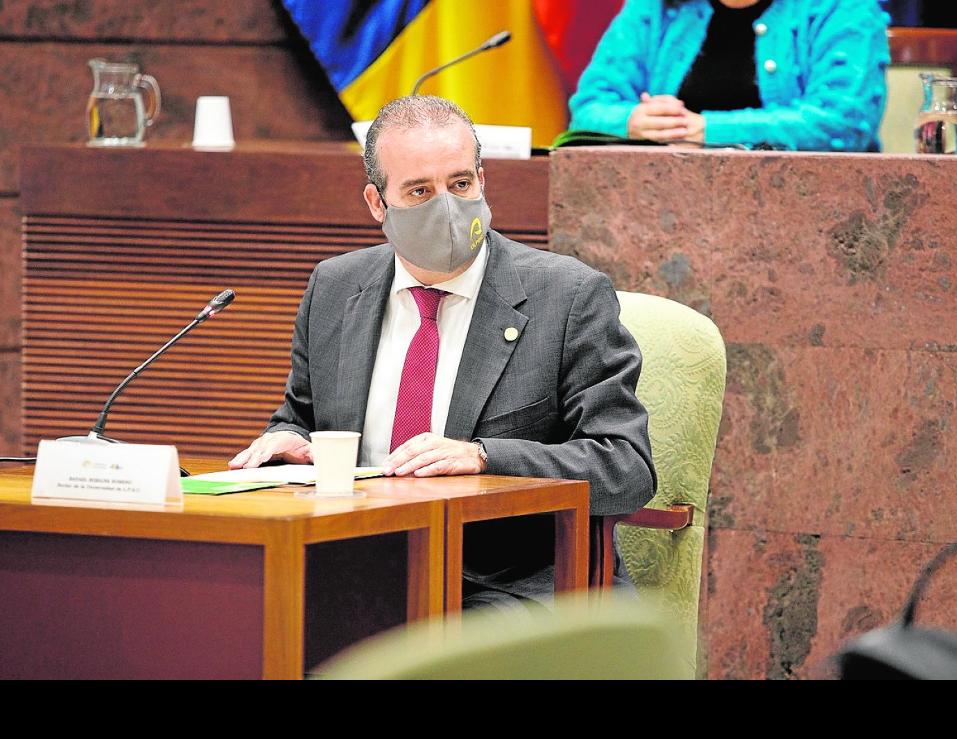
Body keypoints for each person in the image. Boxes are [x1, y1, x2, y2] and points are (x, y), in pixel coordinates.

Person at [230, 95, 657, 612]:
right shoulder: (335, 287)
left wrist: (483, 456)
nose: (447, 208)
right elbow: (300, 419)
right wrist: (288, 442)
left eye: (460, 184)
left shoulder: (568, 296)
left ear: (483, 181)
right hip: (357, 566)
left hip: (508, 582)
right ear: (377, 203)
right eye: (419, 191)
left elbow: (625, 467)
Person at [568, 0, 890, 151]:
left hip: (812, 214)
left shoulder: (845, 8)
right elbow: (588, 111)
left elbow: (843, 122)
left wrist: (704, 130)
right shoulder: (653, 7)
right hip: (661, 207)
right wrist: (633, 121)